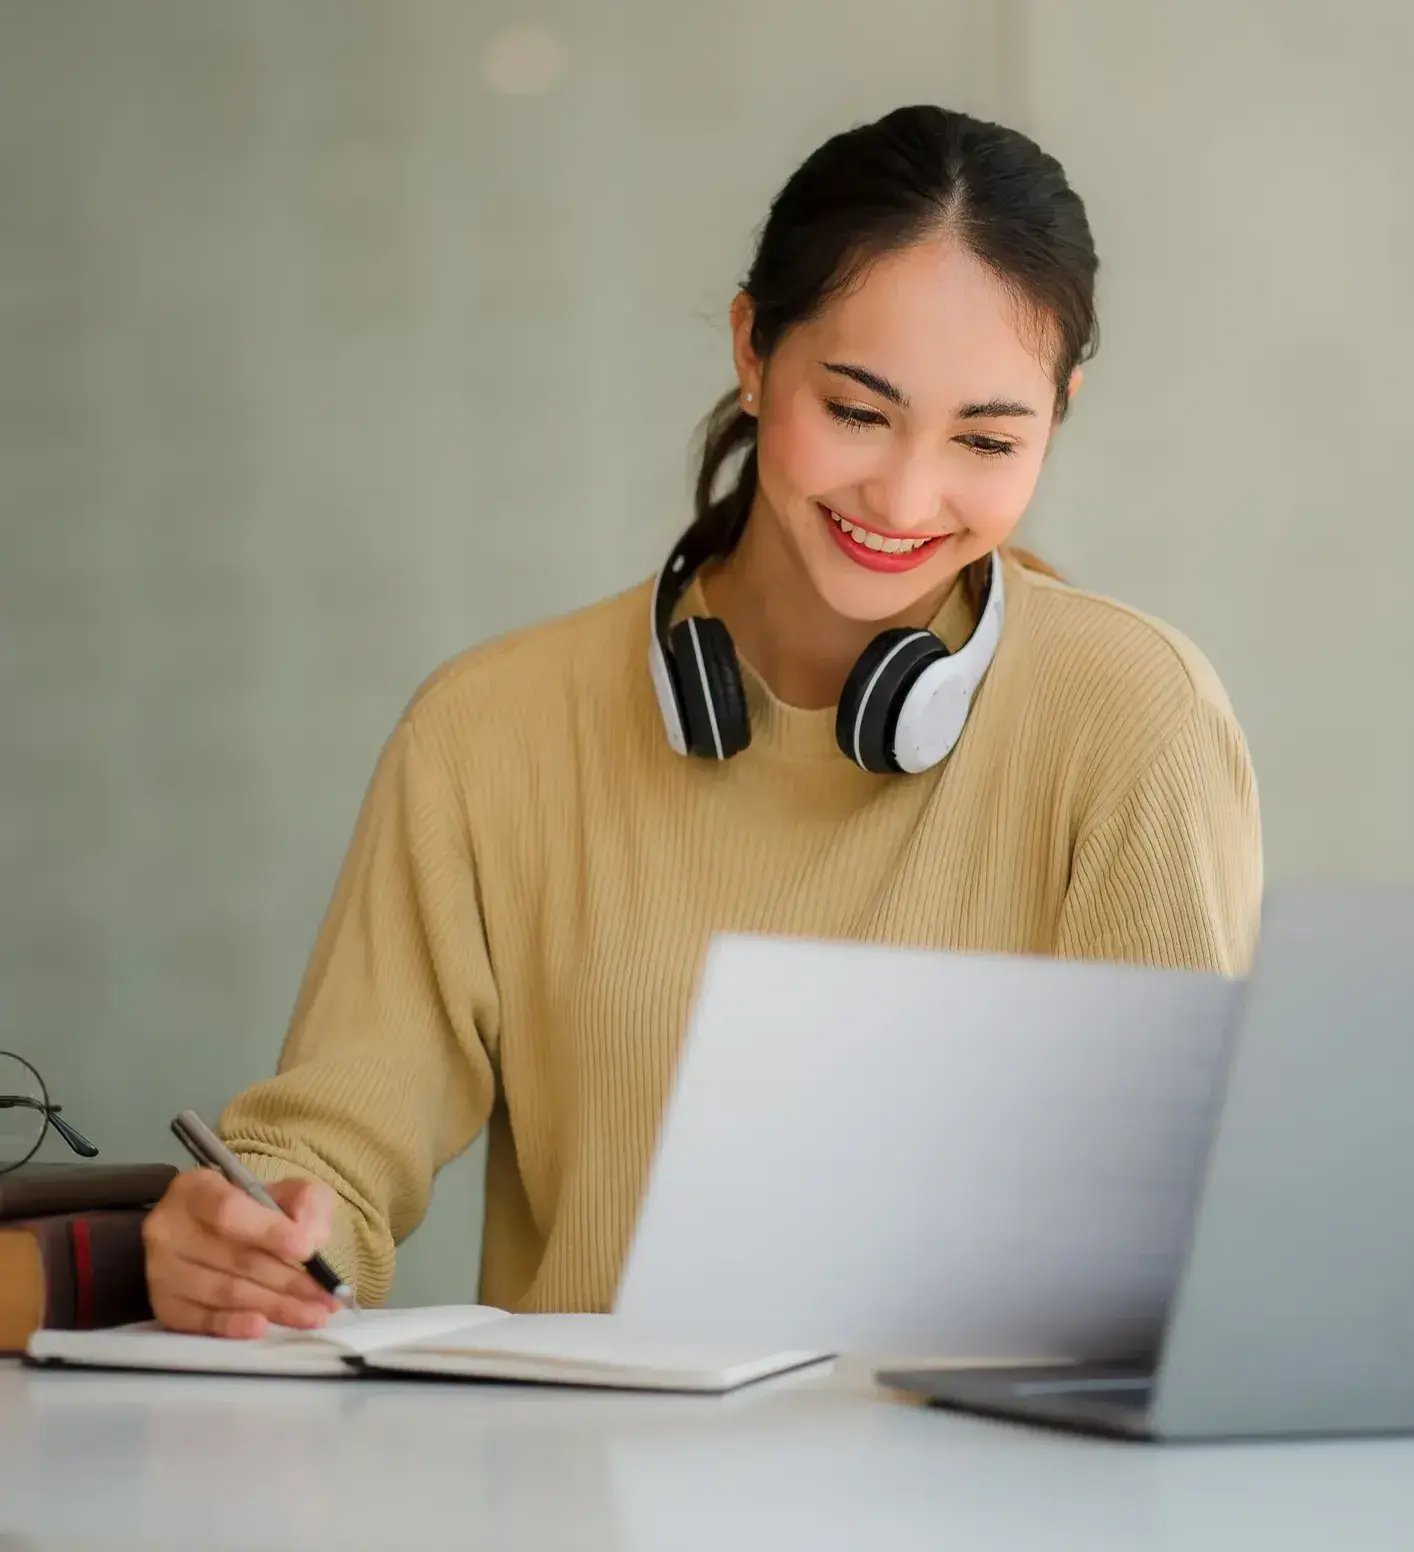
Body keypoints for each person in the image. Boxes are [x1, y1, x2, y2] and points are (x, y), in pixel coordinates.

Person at [142, 104, 1262, 1338]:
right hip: (592, 1508)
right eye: (854, 411)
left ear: (1058, 414)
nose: (903, 495)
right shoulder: (490, 731)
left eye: (986, 438)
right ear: (751, 347)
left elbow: (1183, 1244)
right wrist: (261, 1242)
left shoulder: (1128, 718)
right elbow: (330, 1163)